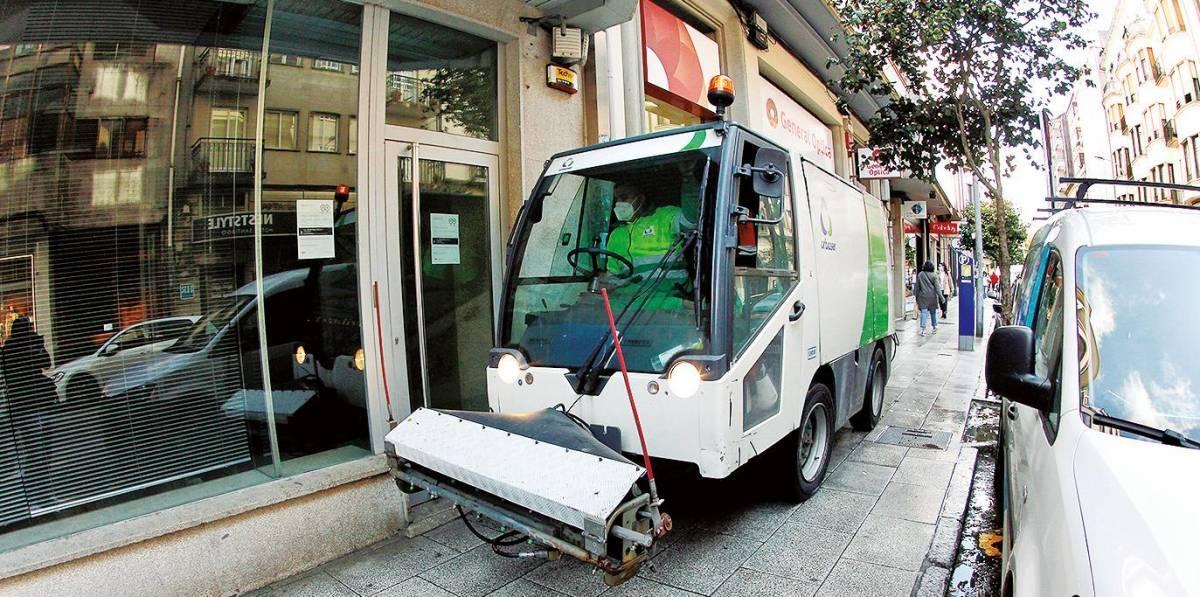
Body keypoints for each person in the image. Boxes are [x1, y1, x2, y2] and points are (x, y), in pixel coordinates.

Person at [0, 317, 56, 482]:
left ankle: (42, 488)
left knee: (44, 448)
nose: (31, 331)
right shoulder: (10, 350)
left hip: (37, 403)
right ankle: (38, 489)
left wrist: (39, 347)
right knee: (37, 451)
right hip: (27, 406)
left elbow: (46, 363)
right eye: (28, 329)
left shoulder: (30, 346)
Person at [914, 260, 942, 336]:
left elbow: (917, 287)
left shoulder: (920, 275)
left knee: (923, 313)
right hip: (932, 297)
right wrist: (941, 297)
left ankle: (923, 329)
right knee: (933, 313)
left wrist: (916, 297)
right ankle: (935, 326)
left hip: (923, 297)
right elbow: (938, 288)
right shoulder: (934, 275)